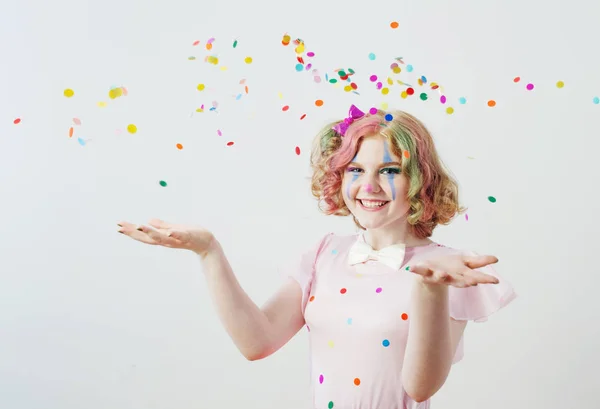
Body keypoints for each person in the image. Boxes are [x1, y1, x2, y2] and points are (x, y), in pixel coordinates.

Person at [117, 105, 517, 409]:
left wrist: (429, 288)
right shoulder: (325, 253)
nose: (369, 185)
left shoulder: (451, 269)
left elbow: (420, 386)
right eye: (355, 169)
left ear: (419, 180)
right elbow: (257, 341)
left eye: (390, 170)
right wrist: (208, 252)